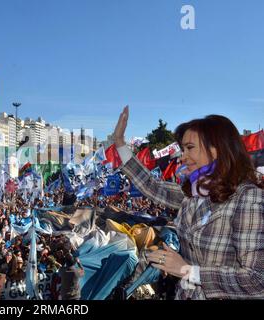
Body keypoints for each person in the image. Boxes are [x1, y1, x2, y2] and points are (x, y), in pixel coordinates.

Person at [113, 106, 264, 299]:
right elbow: (151, 185)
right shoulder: (193, 194)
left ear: (215, 149)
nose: (183, 157)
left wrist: (187, 270)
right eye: (183, 149)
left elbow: (257, 279)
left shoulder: (248, 198)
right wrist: (119, 143)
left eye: (190, 148)